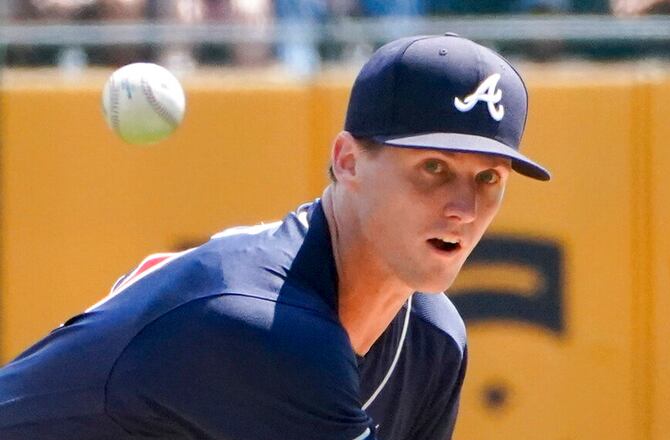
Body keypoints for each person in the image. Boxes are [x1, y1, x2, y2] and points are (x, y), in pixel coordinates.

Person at [0, 33, 550, 440]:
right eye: (434, 168)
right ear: (348, 161)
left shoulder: (432, 340)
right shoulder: (265, 325)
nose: (463, 208)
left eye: (488, 179)